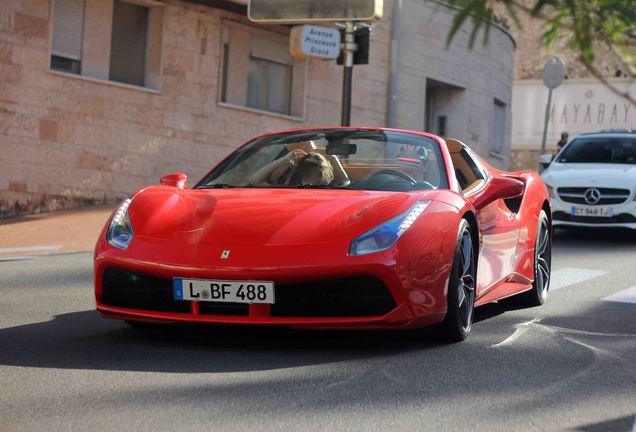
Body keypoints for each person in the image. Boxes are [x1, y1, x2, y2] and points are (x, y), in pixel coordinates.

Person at [250, 150, 335, 187]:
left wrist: (332, 158)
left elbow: (344, 182)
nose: (308, 169)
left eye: (314, 166)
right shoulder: (290, 187)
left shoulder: (329, 190)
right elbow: (255, 181)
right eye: (304, 165)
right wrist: (283, 160)